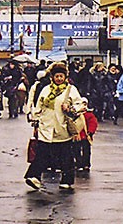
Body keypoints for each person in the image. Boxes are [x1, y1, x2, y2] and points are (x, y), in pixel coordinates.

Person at [25, 61, 85, 191]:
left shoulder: (70, 90)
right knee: (42, 153)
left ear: (65, 77)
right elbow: (39, 106)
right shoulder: (46, 90)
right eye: (56, 76)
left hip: (62, 127)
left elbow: (80, 105)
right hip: (46, 127)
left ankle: (67, 180)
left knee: (66, 155)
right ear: (52, 77)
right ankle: (33, 177)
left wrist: (70, 108)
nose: (59, 79)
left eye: (61, 76)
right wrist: (35, 119)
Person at [73, 107, 98, 173]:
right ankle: (79, 163)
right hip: (77, 136)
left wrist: (90, 132)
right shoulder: (74, 115)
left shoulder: (89, 115)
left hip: (85, 136)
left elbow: (93, 123)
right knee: (76, 150)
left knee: (85, 150)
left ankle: (85, 164)